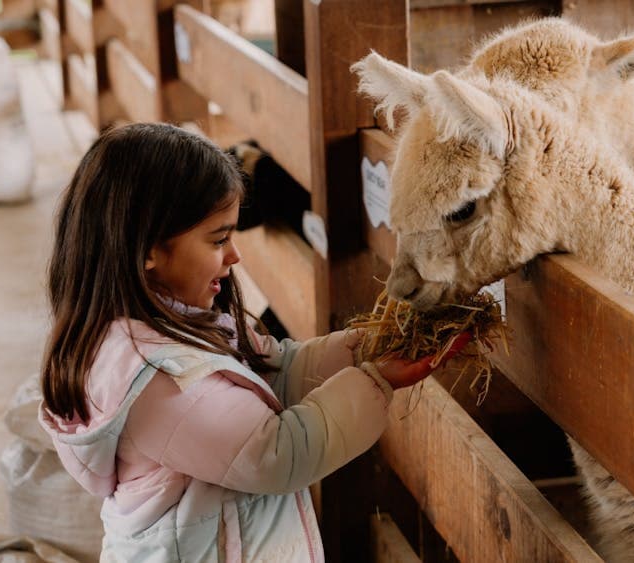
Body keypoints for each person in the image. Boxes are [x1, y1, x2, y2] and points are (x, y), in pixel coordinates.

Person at [39, 123, 460, 562]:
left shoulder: (183, 321)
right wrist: (375, 381)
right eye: (219, 239)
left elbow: (273, 372)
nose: (234, 255)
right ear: (148, 249)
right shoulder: (156, 377)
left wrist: (361, 349)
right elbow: (274, 453)